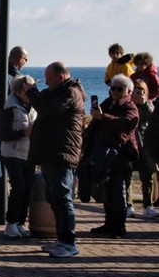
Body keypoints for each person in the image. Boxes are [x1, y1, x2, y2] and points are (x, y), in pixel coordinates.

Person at [24, 62, 85, 258]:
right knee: (54, 198)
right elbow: (42, 101)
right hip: (51, 153)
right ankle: (61, 240)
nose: (47, 83)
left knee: (62, 198)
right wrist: (34, 91)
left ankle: (69, 242)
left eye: (49, 79)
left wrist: (32, 92)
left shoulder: (70, 93)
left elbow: (48, 110)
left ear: (60, 77)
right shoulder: (56, 92)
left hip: (63, 153)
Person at [84, 75, 139, 238]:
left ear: (128, 91)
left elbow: (126, 123)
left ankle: (119, 226)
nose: (114, 91)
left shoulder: (130, 106)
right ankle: (109, 223)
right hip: (104, 154)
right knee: (107, 191)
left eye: (119, 88)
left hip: (120, 155)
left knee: (118, 191)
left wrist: (103, 117)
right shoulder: (108, 103)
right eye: (113, 88)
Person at [0, 75, 38, 239]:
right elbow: (3, 133)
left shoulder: (33, 106)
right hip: (12, 152)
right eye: (28, 89)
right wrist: (23, 132)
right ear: (19, 90)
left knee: (28, 188)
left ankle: (20, 223)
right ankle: (11, 223)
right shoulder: (11, 107)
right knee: (19, 187)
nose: (31, 92)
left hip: (28, 152)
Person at [130, 80, 159, 218]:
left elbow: (153, 118)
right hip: (131, 144)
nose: (138, 91)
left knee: (147, 176)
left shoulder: (149, 106)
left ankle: (148, 205)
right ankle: (128, 205)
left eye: (141, 89)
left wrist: (144, 103)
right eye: (135, 89)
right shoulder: (128, 105)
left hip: (145, 144)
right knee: (127, 175)